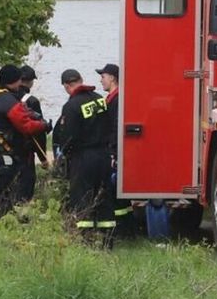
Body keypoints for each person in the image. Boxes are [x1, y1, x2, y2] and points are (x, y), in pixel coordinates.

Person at [54, 69, 115, 245]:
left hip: (83, 157)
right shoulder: (99, 99)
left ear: (67, 86)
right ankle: (107, 241)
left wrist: (63, 153)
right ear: (81, 80)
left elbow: (68, 136)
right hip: (104, 155)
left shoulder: (71, 106)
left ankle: (85, 240)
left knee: (81, 197)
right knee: (104, 196)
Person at [0, 64, 47, 217]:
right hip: (5, 152)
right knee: (11, 191)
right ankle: (11, 222)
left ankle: (6, 219)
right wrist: (43, 125)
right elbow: (26, 126)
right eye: (19, 81)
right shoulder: (6, 99)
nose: (20, 84)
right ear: (14, 81)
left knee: (4, 190)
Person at [97, 63, 134, 236]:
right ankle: (124, 227)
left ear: (112, 78)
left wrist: (113, 152)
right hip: (112, 151)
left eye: (103, 76)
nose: (101, 80)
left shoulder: (117, 99)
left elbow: (115, 128)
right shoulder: (112, 99)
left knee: (115, 192)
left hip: (114, 152)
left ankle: (123, 229)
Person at [15, 65, 49, 203]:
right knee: (25, 187)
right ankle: (22, 217)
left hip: (5, 149)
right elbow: (38, 131)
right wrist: (43, 157)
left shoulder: (5, 96)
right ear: (30, 82)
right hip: (25, 151)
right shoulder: (31, 101)